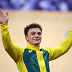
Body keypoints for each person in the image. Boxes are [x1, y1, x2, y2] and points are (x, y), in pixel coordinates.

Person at [0, 9, 72, 72]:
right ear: (26, 37)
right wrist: (4, 26)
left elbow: (63, 48)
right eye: (33, 33)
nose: (37, 35)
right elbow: (8, 46)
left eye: (39, 33)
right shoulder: (20, 54)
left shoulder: (46, 53)